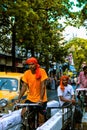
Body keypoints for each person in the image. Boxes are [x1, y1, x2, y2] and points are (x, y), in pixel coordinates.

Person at [16, 57, 48, 125]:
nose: (31, 66)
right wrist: (18, 99)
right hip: (30, 98)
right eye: (29, 64)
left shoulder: (42, 71)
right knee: (23, 114)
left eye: (32, 64)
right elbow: (24, 87)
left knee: (41, 119)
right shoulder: (27, 73)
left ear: (36, 64)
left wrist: (41, 99)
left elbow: (43, 86)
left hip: (41, 99)